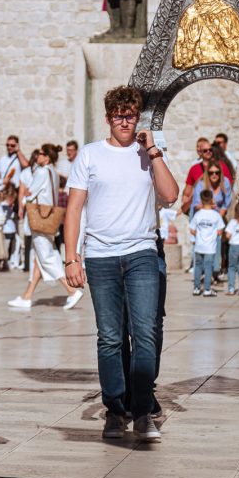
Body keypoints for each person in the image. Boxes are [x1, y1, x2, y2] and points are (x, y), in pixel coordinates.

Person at [64, 85, 179, 441]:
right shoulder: (90, 155)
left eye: (130, 116)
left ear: (138, 117)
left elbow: (171, 195)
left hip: (142, 253)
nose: (125, 122)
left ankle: (142, 411)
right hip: (100, 257)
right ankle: (115, 411)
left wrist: (154, 151)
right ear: (108, 118)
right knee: (110, 337)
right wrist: (72, 258)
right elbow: (73, 210)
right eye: (119, 116)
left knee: (145, 333)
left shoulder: (148, 154)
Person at [8, 144, 83, 310]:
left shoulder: (42, 172)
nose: (37, 156)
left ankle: (72, 291)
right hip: (49, 219)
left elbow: (30, 194)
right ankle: (27, 297)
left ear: (47, 157)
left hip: (40, 220)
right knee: (38, 258)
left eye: (41, 154)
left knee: (47, 257)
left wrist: (26, 194)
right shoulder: (53, 172)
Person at [192, 158, 232, 281]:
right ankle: (200, 273)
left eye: (217, 172)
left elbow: (226, 203)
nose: (214, 175)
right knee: (200, 243)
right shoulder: (201, 184)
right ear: (207, 173)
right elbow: (196, 204)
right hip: (202, 215)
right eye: (211, 173)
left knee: (218, 242)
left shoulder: (225, 183)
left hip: (218, 216)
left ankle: (215, 272)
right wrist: (209, 208)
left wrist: (217, 219)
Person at [180, 137, 232, 213]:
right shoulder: (194, 168)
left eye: (210, 150)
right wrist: (185, 196)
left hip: (218, 209)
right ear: (200, 152)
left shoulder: (221, 166)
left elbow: (229, 185)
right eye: (205, 150)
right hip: (199, 209)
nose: (208, 152)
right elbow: (189, 186)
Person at [190, 189, 225, 297]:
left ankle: (196, 288)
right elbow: (220, 231)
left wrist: (200, 234)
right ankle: (207, 289)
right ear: (213, 200)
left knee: (198, 266)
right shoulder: (216, 215)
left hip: (199, 246)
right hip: (210, 247)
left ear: (200, 201)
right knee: (208, 267)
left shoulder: (197, 215)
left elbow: (192, 230)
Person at [1, 185, 17, 271]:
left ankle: (4, 262)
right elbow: (11, 216)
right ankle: (6, 262)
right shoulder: (7, 208)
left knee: (4, 247)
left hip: (3, 230)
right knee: (8, 248)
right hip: (9, 230)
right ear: (10, 199)